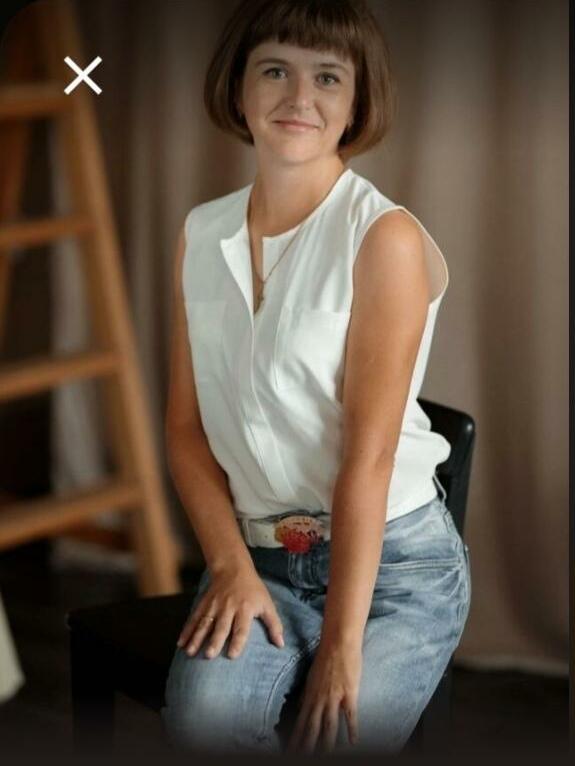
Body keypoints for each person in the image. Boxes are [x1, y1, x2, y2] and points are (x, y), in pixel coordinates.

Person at [160, 0, 471, 756]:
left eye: (327, 77)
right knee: (201, 725)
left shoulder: (384, 237)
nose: (299, 97)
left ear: (356, 102)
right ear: (238, 88)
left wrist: (341, 645)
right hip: (259, 555)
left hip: (393, 573)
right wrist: (229, 567)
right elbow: (185, 431)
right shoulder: (201, 233)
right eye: (275, 70)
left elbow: (368, 459)